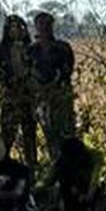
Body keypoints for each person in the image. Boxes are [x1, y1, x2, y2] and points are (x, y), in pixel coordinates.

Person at [31, 12, 77, 157]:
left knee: (66, 136)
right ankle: (54, 167)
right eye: (40, 24)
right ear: (36, 27)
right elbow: (28, 74)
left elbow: (66, 71)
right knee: (49, 136)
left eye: (47, 24)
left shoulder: (63, 48)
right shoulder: (31, 51)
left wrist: (52, 87)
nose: (44, 28)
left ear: (52, 26)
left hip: (61, 98)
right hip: (42, 100)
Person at [0, 15, 39, 163]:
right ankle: (0, 169)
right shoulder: (1, 50)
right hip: (10, 98)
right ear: (7, 30)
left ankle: (32, 171)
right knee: (7, 136)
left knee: (30, 136)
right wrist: (12, 83)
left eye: (20, 27)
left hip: (28, 98)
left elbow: (35, 72)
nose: (18, 31)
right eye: (13, 27)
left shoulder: (31, 49)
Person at [46, 136, 102, 211]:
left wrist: (89, 194)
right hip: (69, 194)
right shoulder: (61, 162)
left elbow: (95, 179)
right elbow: (48, 181)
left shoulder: (92, 157)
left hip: (86, 189)